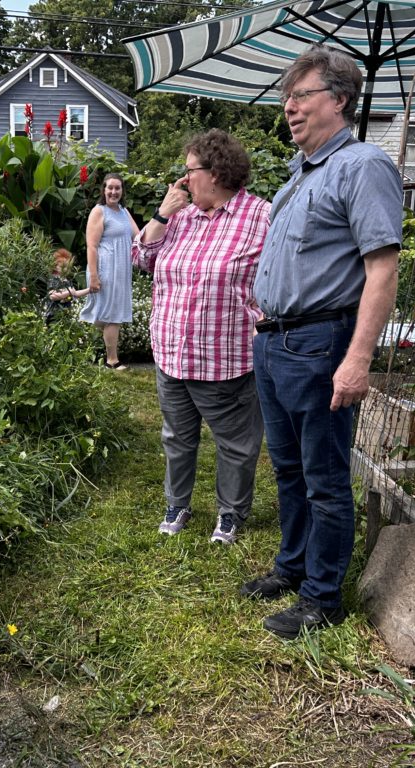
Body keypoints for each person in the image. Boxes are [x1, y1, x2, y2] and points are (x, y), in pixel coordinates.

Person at [244, 45, 402, 638]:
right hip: (275, 342)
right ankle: (292, 566)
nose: (289, 106)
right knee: (287, 468)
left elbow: (382, 270)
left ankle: (323, 598)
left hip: (320, 343)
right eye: (288, 96)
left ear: (338, 100)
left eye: (300, 95)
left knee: (325, 477)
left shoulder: (362, 166)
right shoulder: (300, 174)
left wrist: (357, 358)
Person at [133, 129, 271, 544]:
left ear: (215, 172)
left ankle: (230, 513)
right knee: (177, 436)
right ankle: (177, 503)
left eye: (189, 171)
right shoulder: (179, 217)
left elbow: (281, 277)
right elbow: (140, 259)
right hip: (172, 352)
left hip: (225, 356)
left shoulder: (261, 216)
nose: (182, 180)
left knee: (236, 443)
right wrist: (160, 215)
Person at [79, 173, 139, 370]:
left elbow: (139, 237)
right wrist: (94, 276)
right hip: (105, 269)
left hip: (120, 270)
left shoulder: (123, 212)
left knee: (107, 314)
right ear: (103, 190)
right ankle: (112, 361)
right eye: (110, 188)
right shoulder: (99, 211)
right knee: (111, 315)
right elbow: (92, 246)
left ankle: (86, 347)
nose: (114, 192)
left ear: (122, 191)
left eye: (118, 188)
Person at [44, 247, 89, 324]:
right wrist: (68, 292)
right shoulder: (54, 279)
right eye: (62, 267)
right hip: (54, 315)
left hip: (64, 315)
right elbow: (52, 296)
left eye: (67, 267)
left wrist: (89, 290)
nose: (65, 269)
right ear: (55, 266)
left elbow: (75, 293)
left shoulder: (67, 280)